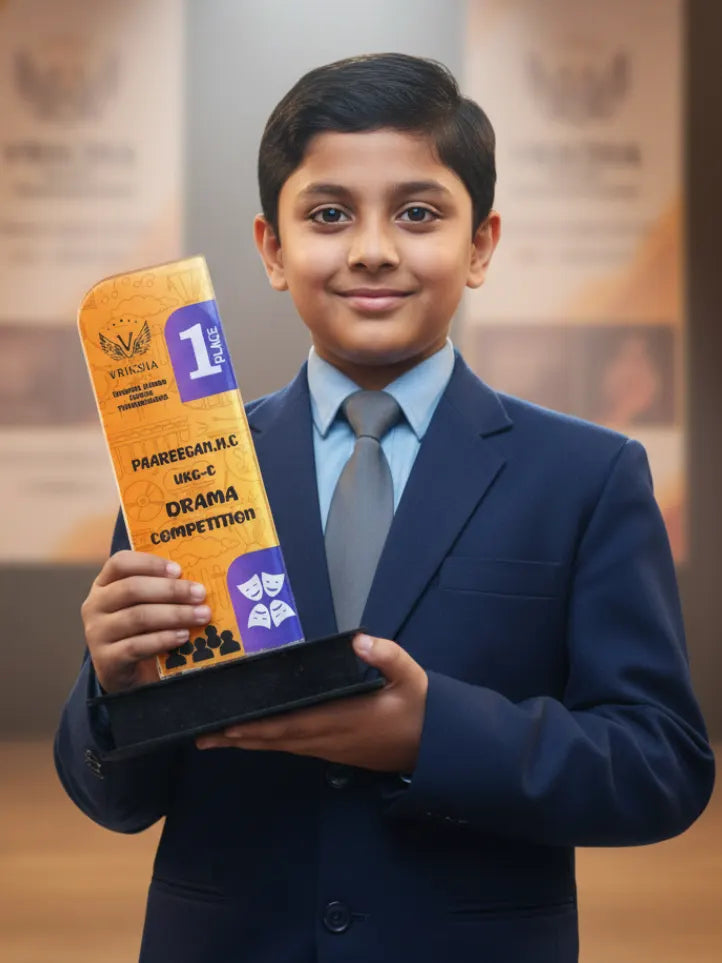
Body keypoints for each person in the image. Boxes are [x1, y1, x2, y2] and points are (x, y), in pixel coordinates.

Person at [55, 53, 714, 963]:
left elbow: (660, 765)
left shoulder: (587, 476)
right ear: (273, 249)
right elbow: (117, 800)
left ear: (480, 244)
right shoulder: (185, 465)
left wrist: (428, 731)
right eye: (328, 214)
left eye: (418, 212)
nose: (372, 247)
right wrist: (112, 688)